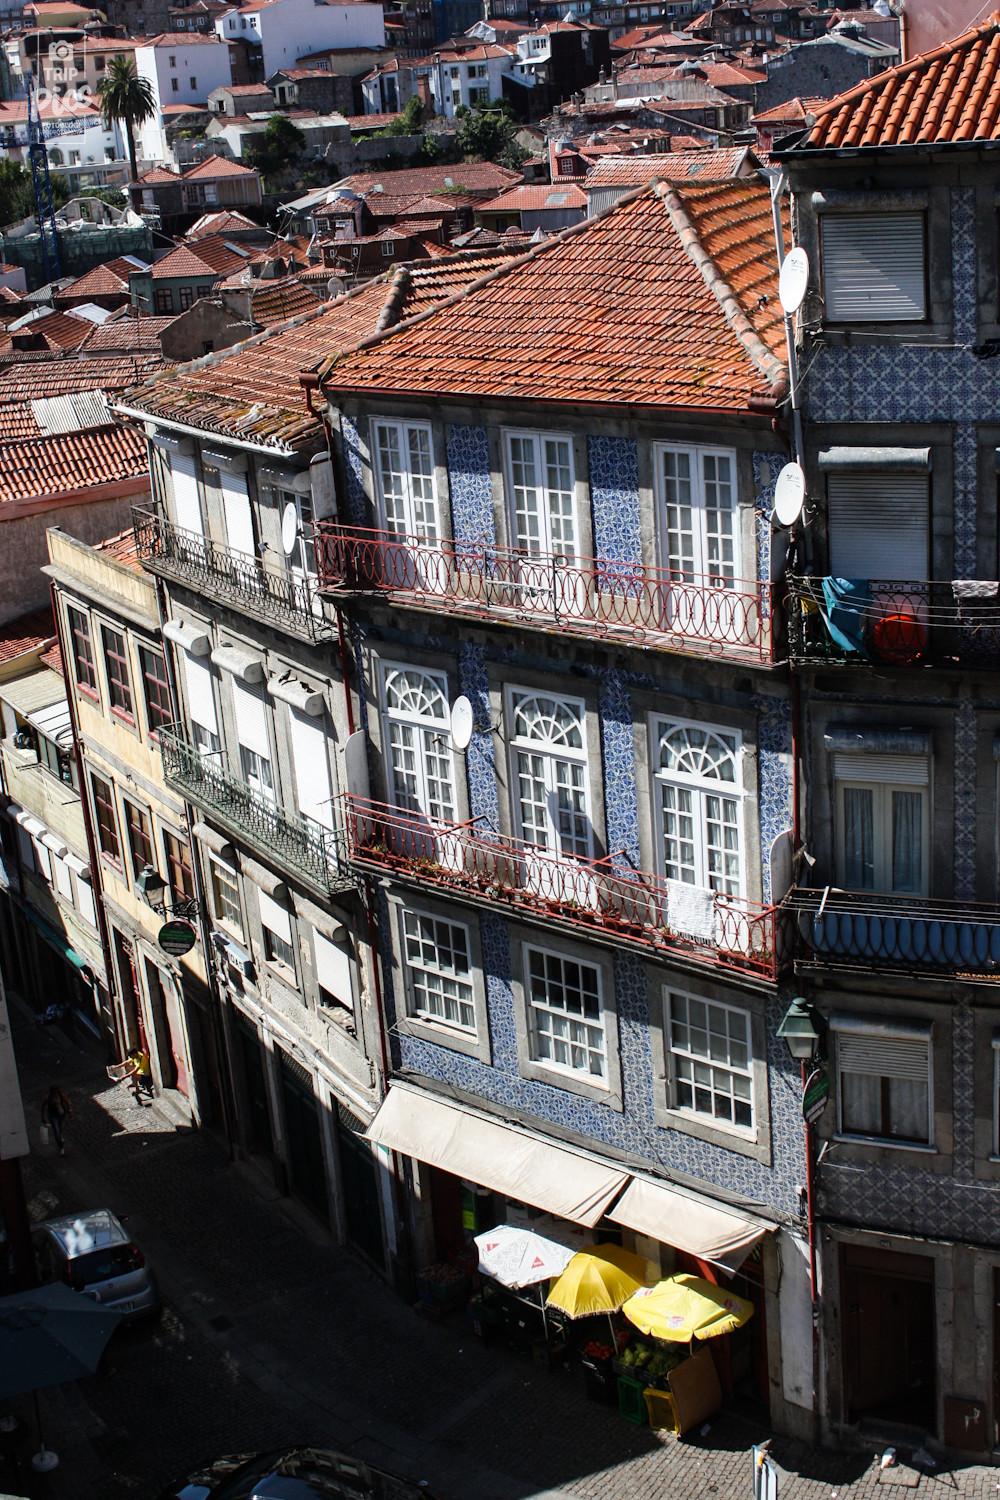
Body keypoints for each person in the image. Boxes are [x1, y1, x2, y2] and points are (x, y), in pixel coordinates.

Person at [41, 1085, 72, 1156]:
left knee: (60, 1129)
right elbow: (43, 1107)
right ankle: (61, 1147)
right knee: (56, 1132)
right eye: (53, 1092)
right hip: (53, 1117)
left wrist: (70, 1111)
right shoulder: (48, 1098)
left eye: (56, 1092)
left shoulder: (60, 1096)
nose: (54, 1093)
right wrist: (43, 1118)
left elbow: (67, 1102)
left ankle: (60, 1138)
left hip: (61, 1115)